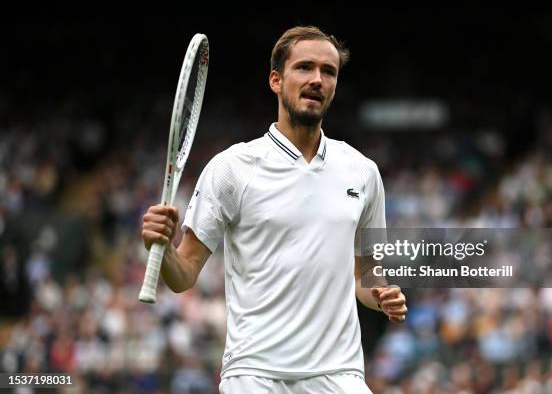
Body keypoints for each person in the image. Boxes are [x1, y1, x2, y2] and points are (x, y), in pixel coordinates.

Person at [141, 25, 407, 393]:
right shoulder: (231, 168)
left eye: (328, 72)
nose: (317, 79)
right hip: (255, 374)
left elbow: (365, 273)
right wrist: (163, 246)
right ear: (276, 81)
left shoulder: (363, 172)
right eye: (304, 67)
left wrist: (380, 293)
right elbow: (183, 274)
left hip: (339, 374)